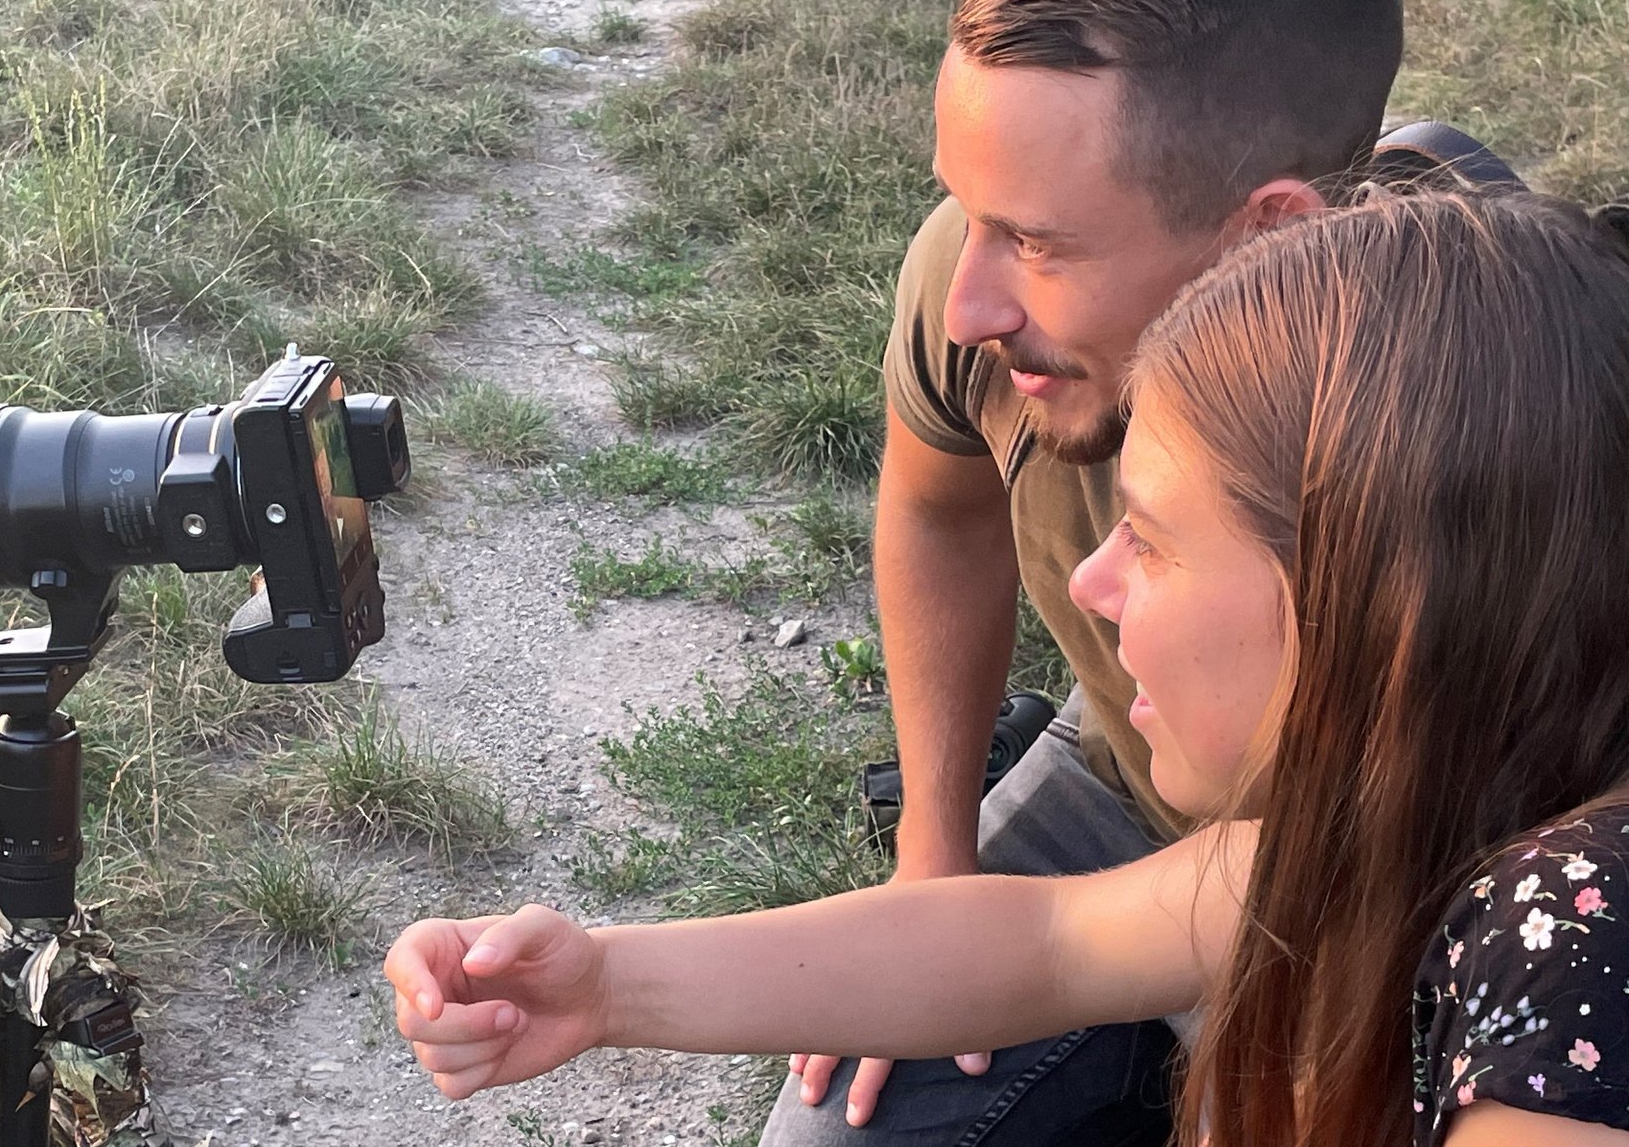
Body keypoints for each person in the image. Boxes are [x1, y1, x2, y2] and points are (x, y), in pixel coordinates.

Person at [384, 190, 1629, 1147]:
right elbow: (1041, 943)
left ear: (1384, 609)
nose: (1087, 586)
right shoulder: (1399, 804)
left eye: (1146, 537)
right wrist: (604, 982)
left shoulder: (1569, 961)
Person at [780, 0, 1405, 1141]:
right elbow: (938, 513)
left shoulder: (1491, 449)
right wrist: (934, 855)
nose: (967, 303)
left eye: (1034, 242)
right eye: (967, 213)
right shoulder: (980, 304)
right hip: (1124, 770)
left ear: (1266, 237)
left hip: (1385, 871)